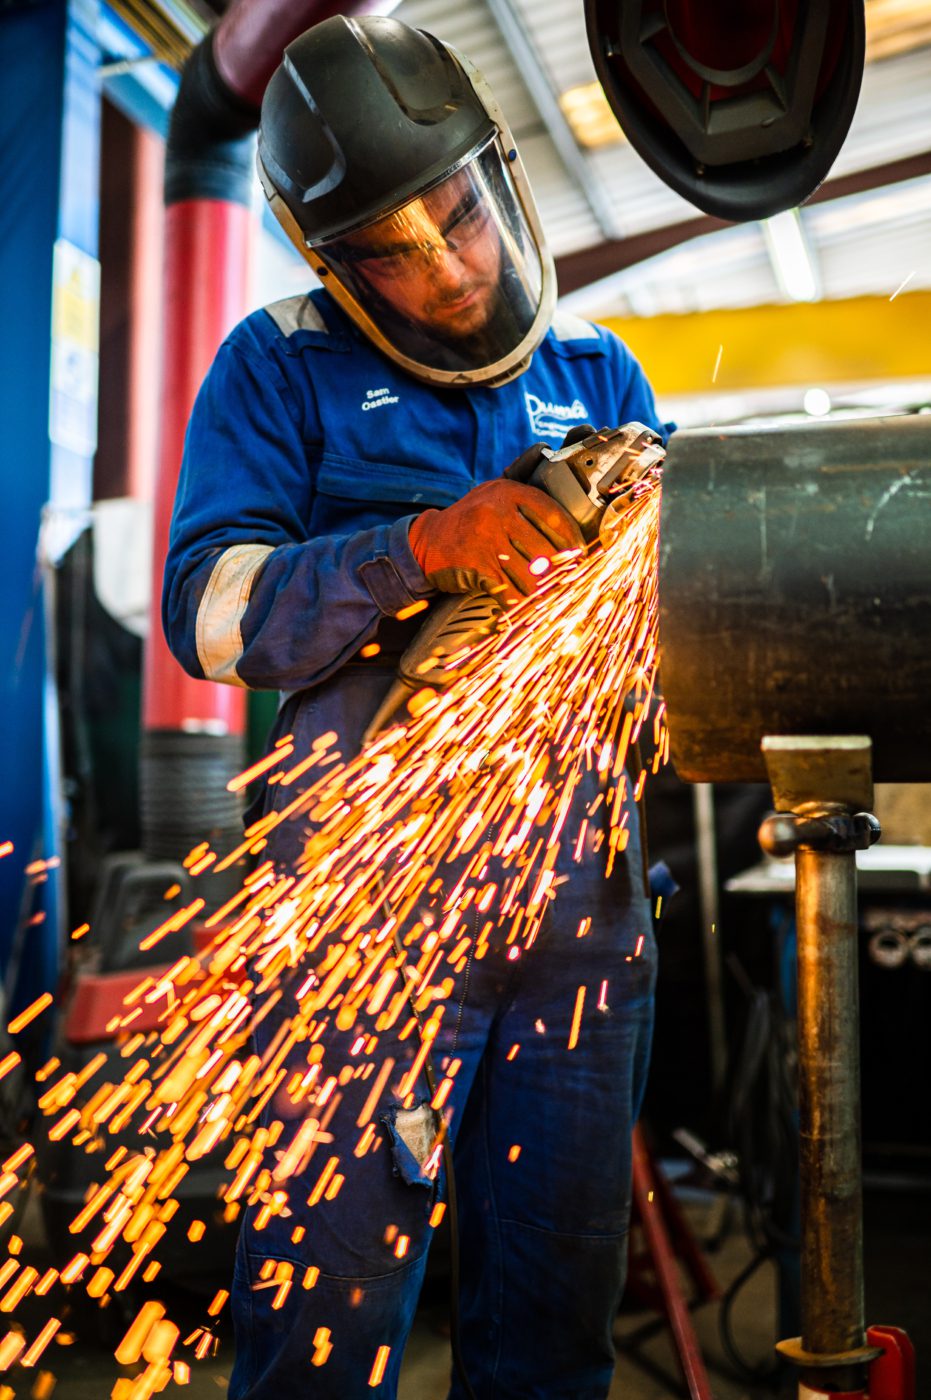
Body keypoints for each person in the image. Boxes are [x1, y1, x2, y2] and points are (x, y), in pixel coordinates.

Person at [163, 15, 673, 1399]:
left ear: (496, 177)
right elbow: (210, 612)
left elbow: (678, 643)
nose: (449, 268)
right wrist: (420, 550)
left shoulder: (599, 380)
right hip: (363, 940)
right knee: (317, 1346)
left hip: (580, 936)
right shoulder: (279, 365)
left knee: (551, 1345)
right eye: (396, 248)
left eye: (457, 218)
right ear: (333, 259)